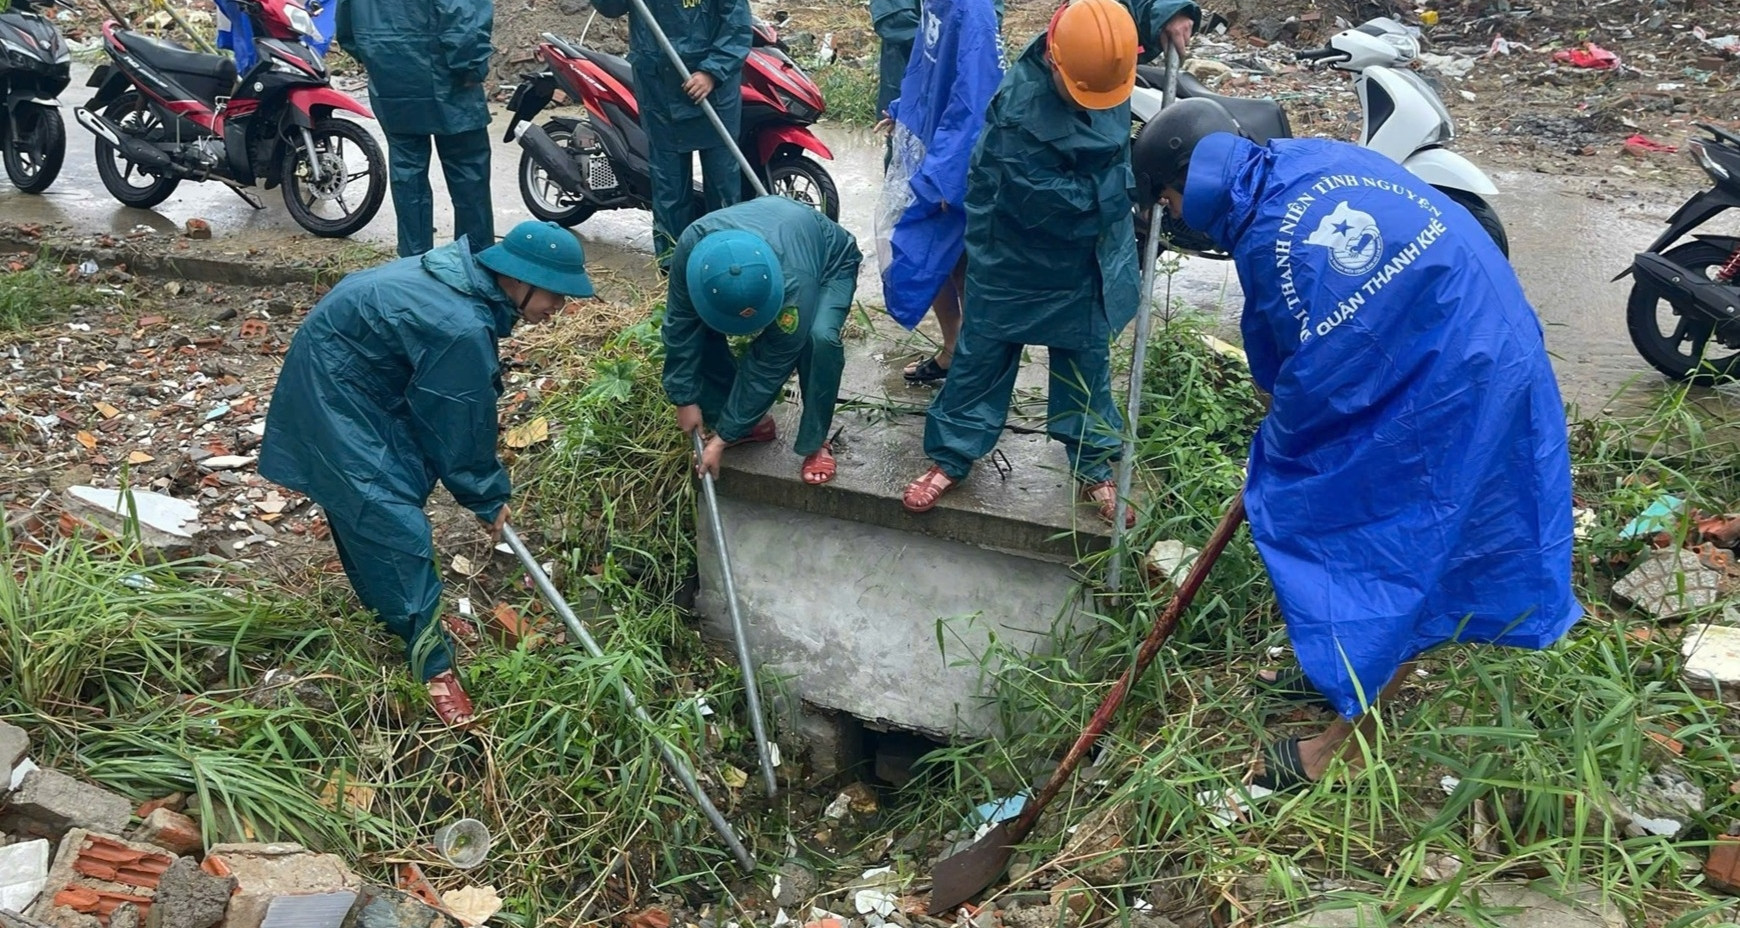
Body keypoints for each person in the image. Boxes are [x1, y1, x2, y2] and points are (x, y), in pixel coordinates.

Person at [1131, 99, 1582, 791]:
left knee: (1390, 541)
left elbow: (1304, 380)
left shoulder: (1266, 234)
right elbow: (1294, 353)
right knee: (1378, 522)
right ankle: (1340, 664)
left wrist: (1278, 459)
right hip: (1485, 331)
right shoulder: (1302, 160)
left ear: (1187, 182)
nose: (1173, 213)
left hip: (1457, 373)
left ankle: (1343, 744)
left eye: (1167, 199)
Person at [260, 221, 596, 728]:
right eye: (555, 294)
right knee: (393, 523)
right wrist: (486, 495)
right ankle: (432, 667)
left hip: (360, 381)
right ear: (519, 279)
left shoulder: (462, 283)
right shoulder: (459, 326)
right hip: (334, 394)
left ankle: (397, 616)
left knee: (371, 509)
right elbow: (459, 421)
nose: (559, 308)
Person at [900, 0, 1166, 526]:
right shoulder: (1019, 116)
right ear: (1053, 60)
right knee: (982, 356)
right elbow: (1052, 201)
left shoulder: (1097, 49)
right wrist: (1125, 186)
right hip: (1016, 251)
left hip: (1086, 253)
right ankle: (951, 455)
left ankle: (1094, 463)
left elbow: (1127, 10)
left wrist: (1173, 13)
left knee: (1086, 360)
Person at [663, 197, 862, 486]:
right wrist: (684, 399)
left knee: (818, 339)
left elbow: (768, 367)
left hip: (829, 261)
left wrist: (721, 439)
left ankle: (815, 441)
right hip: (775, 233)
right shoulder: (692, 245)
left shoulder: (795, 285)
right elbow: (680, 324)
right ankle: (750, 424)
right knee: (698, 325)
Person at [873, 0, 1004, 387]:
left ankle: (975, 365)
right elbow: (926, 70)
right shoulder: (937, 4)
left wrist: (950, 174)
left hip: (953, 161)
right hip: (929, 145)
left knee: (960, 259)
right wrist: (904, 109)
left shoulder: (972, 11)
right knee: (930, 254)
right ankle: (953, 346)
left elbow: (975, 98)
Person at [593, 0, 751, 271]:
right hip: (659, 91)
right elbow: (611, 8)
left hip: (713, 94)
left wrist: (712, 71)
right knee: (670, 188)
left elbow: (737, 25)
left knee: (723, 186)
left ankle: (724, 263)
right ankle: (673, 266)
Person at [335, 0, 496, 257]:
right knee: (468, 170)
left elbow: (346, 31)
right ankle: (474, 258)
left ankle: (413, 259)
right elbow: (461, 21)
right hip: (450, 83)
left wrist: (378, 61)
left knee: (408, 172)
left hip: (392, 80)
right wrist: (472, 68)